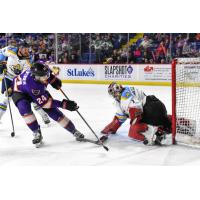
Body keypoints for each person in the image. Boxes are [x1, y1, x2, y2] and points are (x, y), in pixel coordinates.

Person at [12, 62, 84, 147]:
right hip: (20, 92)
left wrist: (54, 80)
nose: (46, 78)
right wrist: (64, 104)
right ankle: (36, 132)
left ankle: (73, 130)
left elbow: (48, 73)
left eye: (47, 75)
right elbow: (45, 103)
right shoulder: (34, 85)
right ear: (36, 77)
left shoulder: (42, 69)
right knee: (24, 108)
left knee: (53, 112)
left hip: (32, 89)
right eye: (44, 77)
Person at [101, 82, 171, 145]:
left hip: (151, 110)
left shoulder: (125, 96)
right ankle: (173, 121)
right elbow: (119, 119)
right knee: (164, 119)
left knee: (133, 132)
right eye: (112, 94)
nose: (114, 96)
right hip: (157, 106)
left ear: (118, 91)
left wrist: (134, 123)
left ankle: (155, 136)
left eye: (114, 93)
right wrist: (108, 129)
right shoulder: (125, 92)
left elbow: (136, 108)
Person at [0, 45, 50, 124]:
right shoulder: (11, 50)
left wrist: (12, 88)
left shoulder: (28, 60)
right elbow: (1, 52)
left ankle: (44, 115)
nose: (27, 52)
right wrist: (1, 62)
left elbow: (23, 76)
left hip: (19, 80)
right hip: (8, 77)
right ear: (20, 49)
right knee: (6, 99)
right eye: (25, 50)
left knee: (32, 98)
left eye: (28, 50)